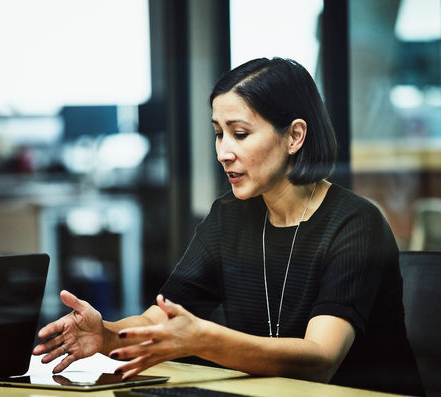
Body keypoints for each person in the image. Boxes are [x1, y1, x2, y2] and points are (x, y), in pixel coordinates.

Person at [33, 57, 424, 396]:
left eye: (240, 134)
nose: (223, 152)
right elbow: (162, 318)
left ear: (295, 136)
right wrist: (108, 335)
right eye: (219, 133)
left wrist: (204, 339)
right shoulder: (229, 217)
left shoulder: (355, 222)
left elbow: (321, 359)